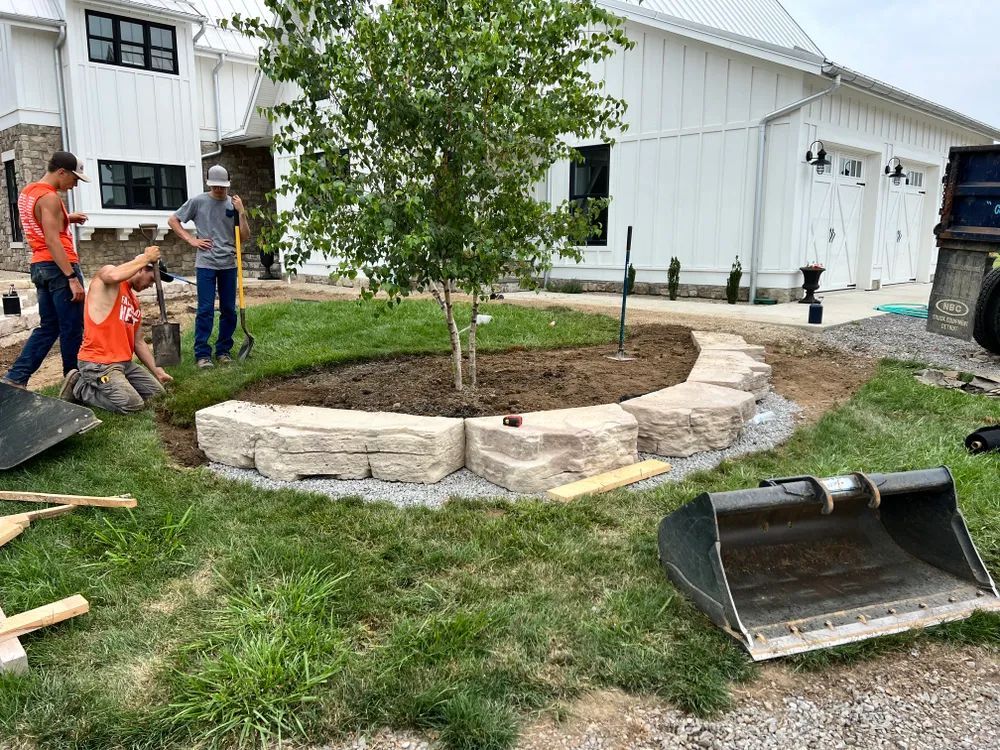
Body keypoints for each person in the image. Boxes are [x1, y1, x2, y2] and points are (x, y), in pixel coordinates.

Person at [1, 151, 89, 389]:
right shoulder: (49, 198)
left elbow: (34, 222)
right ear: (61, 171)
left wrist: (67, 218)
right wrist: (71, 277)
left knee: (49, 326)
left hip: (40, 266)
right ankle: (75, 382)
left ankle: (15, 377)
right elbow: (52, 240)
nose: (74, 185)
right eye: (74, 179)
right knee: (72, 327)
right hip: (59, 266)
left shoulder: (28, 192)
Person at [61, 246, 173, 413]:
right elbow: (112, 275)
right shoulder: (109, 280)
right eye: (152, 280)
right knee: (133, 404)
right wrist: (145, 258)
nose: (151, 286)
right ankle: (80, 387)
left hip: (124, 364)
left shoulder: (134, 302)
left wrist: (159, 372)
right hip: (98, 363)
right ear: (142, 269)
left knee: (157, 395)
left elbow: (138, 342)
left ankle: (117, 385)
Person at [167, 164, 250, 369]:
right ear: (209, 184)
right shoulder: (198, 201)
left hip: (228, 263)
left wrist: (242, 212)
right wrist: (191, 240)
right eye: (215, 187)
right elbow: (173, 220)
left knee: (229, 310)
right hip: (205, 264)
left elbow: (245, 236)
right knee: (205, 310)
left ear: (228, 185)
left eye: (222, 187)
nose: (219, 190)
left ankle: (223, 351)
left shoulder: (234, 204)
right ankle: (202, 354)